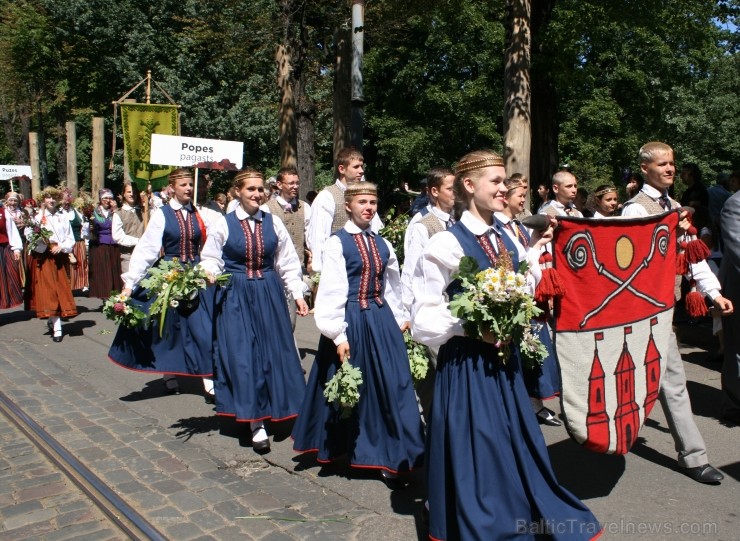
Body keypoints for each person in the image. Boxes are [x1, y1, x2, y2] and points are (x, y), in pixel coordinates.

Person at [411, 150, 600, 540]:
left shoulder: (505, 238)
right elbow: (424, 317)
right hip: (467, 365)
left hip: (504, 362)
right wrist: (470, 325)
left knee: (512, 440)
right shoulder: (445, 244)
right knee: (479, 446)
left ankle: (516, 508)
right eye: (496, 182)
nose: (504, 188)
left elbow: (522, 286)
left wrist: (532, 251)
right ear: (469, 185)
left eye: (504, 182)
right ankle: (481, 519)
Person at [292, 181, 424, 489]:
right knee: (356, 389)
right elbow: (332, 290)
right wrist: (338, 335)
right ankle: (361, 449)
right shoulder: (337, 243)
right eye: (362, 202)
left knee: (394, 384)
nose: (368, 207)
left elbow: (392, 284)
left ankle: (394, 452)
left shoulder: (383, 244)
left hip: (379, 319)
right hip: (351, 320)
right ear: (348, 206)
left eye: (372, 203)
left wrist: (401, 317)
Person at [622, 141, 733, 483]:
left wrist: (713, 292)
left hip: (664, 307)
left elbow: (690, 257)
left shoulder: (674, 207)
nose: (670, 168)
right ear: (645, 169)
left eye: (672, 163)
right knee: (660, 379)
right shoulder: (635, 211)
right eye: (662, 164)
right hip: (641, 310)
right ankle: (690, 455)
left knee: (663, 378)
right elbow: (629, 266)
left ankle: (689, 453)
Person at [201, 169, 308, 452]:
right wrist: (210, 272)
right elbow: (210, 258)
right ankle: (255, 421)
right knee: (244, 355)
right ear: (238, 191)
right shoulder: (224, 224)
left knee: (277, 353)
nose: (256, 194)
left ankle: (285, 411)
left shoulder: (272, 222)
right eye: (250, 189)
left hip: (269, 292)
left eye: (260, 189)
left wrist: (297, 293)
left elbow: (286, 262)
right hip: (235, 294)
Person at [108, 168, 215, 397]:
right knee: (168, 327)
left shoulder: (198, 213)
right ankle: (169, 373)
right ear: (172, 188)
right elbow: (147, 249)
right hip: (169, 274)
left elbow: (209, 244)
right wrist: (130, 284)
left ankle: (208, 376)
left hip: (194, 274)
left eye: (190, 185)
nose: (188, 189)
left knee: (203, 326)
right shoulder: (162, 214)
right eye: (184, 185)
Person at [495, 176, 562, 427]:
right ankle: (519, 408)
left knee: (535, 356)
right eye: (520, 195)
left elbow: (531, 259)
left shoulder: (520, 227)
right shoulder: (498, 229)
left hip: (531, 298)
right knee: (519, 358)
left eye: (525, 195)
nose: (524, 199)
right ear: (506, 197)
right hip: (514, 299)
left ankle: (535, 405)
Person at [401, 166, 455, 423]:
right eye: (450, 188)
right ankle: (426, 426)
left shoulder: (458, 221)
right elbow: (410, 272)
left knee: (449, 370)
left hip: (455, 308)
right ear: (434, 192)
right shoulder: (423, 226)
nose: (456, 193)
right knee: (433, 371)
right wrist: (408, 312)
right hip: (431, 307)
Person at [306, 148, 382, 274]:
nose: (361, 171)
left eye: (362, 167)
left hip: (365, 267)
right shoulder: (327, 196)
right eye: (356, 167)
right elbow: (318, 237)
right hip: (337, 267)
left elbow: (376, 229)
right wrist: (319, 272)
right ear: (342, 169)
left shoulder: (366, 196)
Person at [24, 188, 77, 342]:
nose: (51, 200)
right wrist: (42, 241)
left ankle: (53, 320)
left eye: (54, 198)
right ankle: (57, 327)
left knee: (60, 289)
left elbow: (69, 237)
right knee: (49, 291)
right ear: (43, 200)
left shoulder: (63, 216)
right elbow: (29, 234)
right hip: (44, 257)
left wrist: (62, 246)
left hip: (59, 257)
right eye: (48, 198)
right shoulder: (37, 217)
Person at [263, 167, 312, 329]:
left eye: (297, 183)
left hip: (295, 270)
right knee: (270, 318)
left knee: (290, 321)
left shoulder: (305, 207)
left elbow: (310, 237)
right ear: (279, 184)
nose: (295, 186)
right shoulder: (266, 209)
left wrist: (311, 257)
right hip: (271, 271)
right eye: (291, 183)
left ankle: (287, 350)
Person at [719, 189, 740, 424]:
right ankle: (734, 406)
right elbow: (737, 248)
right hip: (737, 290)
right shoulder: (735, 204)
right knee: (737, 350)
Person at [404, 167, 451, 267]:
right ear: (434, 191)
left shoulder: (458, 218)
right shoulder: (420, 221)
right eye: (450, 189)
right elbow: (412, 261)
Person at [88, 189, 123, 298]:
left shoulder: (116, 211)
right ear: (100, 199)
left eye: (110, 198)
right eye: (105, 198)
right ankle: (104, 294)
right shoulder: (93, 212)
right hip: (100, 245)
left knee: (114, 270)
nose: (108, 200)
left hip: (114, 244)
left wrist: (116, 210)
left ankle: (116, 294)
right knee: (103, 271)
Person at [58, 189, 89, 292]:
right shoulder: (58, 213)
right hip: (64, 243)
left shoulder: (76, 211)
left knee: (80, 264)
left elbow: (83, 225)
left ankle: (79, 285)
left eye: (68, 199)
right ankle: (67, 286)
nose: (66, 202)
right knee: (66, 265)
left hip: (78, 242)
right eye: (64, 200)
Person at [112, 183, 145, 275]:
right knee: (130, 284)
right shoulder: (118, 214)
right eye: (129, 192)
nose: (131, 194)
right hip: (128, 255)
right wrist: (138, 241)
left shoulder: (145, 212)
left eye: (134, 192)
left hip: (145, 254)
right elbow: (117, 236)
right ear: (124, 194)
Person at [0, 192, 24, 309]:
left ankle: (5, 301)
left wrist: (16, 249)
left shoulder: (3, 213)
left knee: (7, 276)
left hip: (3, 248)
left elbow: (12, 231)